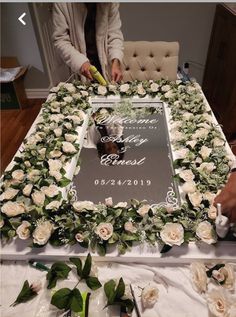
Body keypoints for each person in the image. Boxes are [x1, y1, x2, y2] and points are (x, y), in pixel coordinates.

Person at [52, 3, 124, 82]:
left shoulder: (110, 3)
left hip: (103, 67)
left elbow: (115, 34)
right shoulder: (62, 4)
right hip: (75, 69)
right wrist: (80, 62)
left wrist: (116, 60)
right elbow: (60, 39)